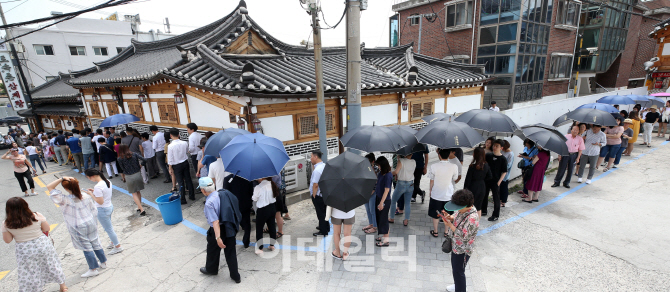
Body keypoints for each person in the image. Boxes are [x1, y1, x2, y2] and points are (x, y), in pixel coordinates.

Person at [2, 197, 68, 292]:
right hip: (42, 245)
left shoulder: (6, 223)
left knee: (30, 271)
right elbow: (46, 228)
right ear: (25, 205)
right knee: (52, 264)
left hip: (25, 249)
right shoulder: (36, 215)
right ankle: (63, 286)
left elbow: (7, 240)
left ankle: (37, 289)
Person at [47, 176, 108, 278]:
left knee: (86, 247)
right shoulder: (85, 196)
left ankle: (93, 269)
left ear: (65, 188)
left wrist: (62, 178)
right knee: (95, 242)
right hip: (90, 222)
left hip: (78, 226)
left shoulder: (64, 200)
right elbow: (94, 210)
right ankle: (103, 262)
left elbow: (49, 187)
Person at [199, 177, 241, 283]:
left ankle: (211, 269)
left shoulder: (209, 203)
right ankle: (236, 276)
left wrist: (218, 237)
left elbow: (215, 222)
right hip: (229, 226)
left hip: (218, 229)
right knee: (230, 252)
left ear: (203, 190)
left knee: (212, 249)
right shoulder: (223, 193)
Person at [439, 189, 479, 292]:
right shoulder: (464, 209)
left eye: (458, 208)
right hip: (456, 246)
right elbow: (457, 216)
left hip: (462, 250)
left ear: (465, 206)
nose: (456, 209)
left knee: (459, 272)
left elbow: (464, 236)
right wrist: (450, 218)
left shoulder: (472, 218)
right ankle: (457, 285)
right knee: (457, 270)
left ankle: (460, 288)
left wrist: (450, 225)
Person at [83, 169, 123, 254]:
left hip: (102, 209)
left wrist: (91, 194)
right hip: (109, 206)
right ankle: (113, 242)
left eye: (89, 178)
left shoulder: (98, 186)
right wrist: (94, 192)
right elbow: (104, 193)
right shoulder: (107, 181)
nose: (90, 180)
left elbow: (100, 201)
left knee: (108, 229)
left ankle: (117, 246)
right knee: (109, 227)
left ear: (92, 176)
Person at [427, 148, 459, 237]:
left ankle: (436, 231)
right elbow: (455, 178)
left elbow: (431, 181)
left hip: (436, 193)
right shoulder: (454, 166)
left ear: (439, 155)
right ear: (449, 155)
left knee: (435, 214)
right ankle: (446, 232)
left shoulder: (434, 166)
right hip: (448, 195)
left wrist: (430, 191)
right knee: (447, 214)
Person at [223, 173, 254, 248]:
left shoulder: (227, 179)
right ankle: (246, 241)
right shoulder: (248, 179)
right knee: (247, 224)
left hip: (233, 206)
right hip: (246, 204)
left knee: (233, 225)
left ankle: (232, 241)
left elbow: (226, 194)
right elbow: (251, 192)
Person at [116, 144, 147, 215]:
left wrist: (123, 176)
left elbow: (122, 168)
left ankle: (141, 209)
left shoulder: (120, 158)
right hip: (138, 174)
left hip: (129, 176)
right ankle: (139, 207)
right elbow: (145, 159)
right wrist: (141, 165)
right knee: (138, 191)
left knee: (134, 193)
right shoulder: (134, 154)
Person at [482, 139, 508, 221]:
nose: (494, 147)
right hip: (486, 179)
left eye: (497, 146)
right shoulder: (488, 155)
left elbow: (504, 172)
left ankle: (496, 215)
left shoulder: (503, 159)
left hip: (496, 181)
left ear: (501, 148)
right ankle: (483, 210)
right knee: (484, 195)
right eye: (494, 145)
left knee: (496, 198)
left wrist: (499, 181)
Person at [168, 128, 195, 204]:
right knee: (188, 179)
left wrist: (170, 168)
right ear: (179, 135)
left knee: (180, 182)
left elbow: (170, 159)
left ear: (171, 136)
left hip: (176, 165)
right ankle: (192, 195)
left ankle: (183, 199)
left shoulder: (170, 146)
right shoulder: (184, 143)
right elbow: (187, 151)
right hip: (185, 163)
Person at [464, 148, 492, 218]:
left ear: (475, 155)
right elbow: (490, 176)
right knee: (479, 207)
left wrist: (464, 190)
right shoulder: (486, 165)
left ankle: (470, 222)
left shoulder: (472, 166)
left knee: (470, 206)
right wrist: (482, 179)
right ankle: (477, 224)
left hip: (472, 187)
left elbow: (467, 180)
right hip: (482, 186)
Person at [252, 177, 278, 253]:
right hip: (272, 207)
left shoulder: (258, 187)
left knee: (259, 229)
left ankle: (260, 248)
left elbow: (254, 199)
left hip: (262, 210)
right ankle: (272, 245)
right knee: (272, 226)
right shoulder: (272, 184)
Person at [389, 154, 415, 226]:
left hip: (401, 184)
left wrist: (390, 171)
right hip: (410, 184)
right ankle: (406, 220)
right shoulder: (413, 161)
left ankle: (391, 218)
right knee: (407, 203)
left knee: (393, 201)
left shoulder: (401, 161)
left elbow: (396, 172)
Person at [373, 156, 393, 247]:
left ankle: (386, 240)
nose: (378, 167)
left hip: (384, 200)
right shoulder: (381, 173)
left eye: (379, 165)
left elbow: (387, 190)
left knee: (384, 219)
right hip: (378, 198)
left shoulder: (388, 175)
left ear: (382, 165)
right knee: (380, 218)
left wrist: (381, 203)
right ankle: (383, 236)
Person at [310, 150, 329, 236]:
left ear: (315, 157)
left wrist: (314, 196)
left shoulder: (317, 170)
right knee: (324, 212)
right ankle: (326, 227)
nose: (310, 159)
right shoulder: (324, 165)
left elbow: (315, 185)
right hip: (324, 193)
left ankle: (323, 231)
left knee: (320, 213)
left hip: (318, 195)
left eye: (311, 157)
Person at [363, 153, 378, 234]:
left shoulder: (376, 170)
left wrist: (373, 191)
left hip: (373, 193)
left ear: (373, 161)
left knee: (373, 210)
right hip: (365, 192)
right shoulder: (364, 169)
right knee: (368, 209)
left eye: (368, 161)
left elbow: (377, 182)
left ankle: (375, 227)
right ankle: (371, 224)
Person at [500, 141, 514, 207]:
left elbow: (509, 165)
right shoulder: (502, 151)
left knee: (504, 187)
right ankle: (500, 200)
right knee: (500, 187)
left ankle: (503, 201)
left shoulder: (510, 154)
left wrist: (501, 167)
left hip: (505, 173)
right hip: (499, 172)